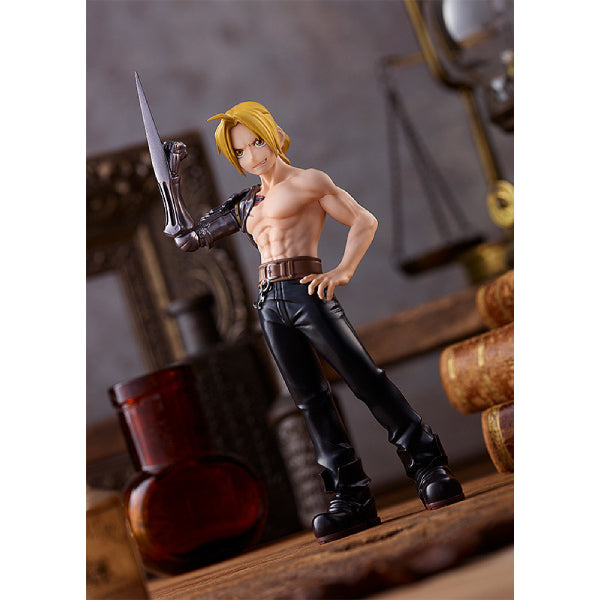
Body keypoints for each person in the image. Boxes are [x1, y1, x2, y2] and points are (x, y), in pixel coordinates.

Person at [172, 101, 464, 544]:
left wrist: (342, 270)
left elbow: (364, 220)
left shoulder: (309, 182)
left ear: (274, 134)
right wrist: (172, 183)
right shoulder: (245, 204)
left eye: (257, 141)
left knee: (364, 377)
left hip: (307, 291)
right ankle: (350, 496)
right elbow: (191, 239)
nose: (253, 155)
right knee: (310, 401)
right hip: (270, 304)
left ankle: (428, 466)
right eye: (241, 151)